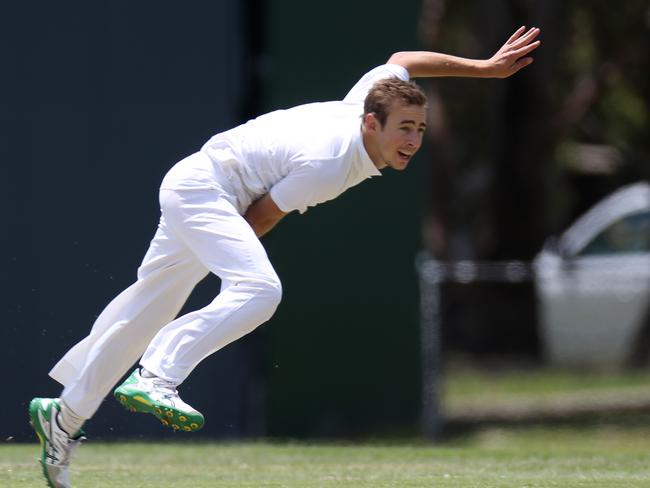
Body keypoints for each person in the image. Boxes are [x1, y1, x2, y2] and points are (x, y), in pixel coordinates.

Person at [28, 26, 540, 488]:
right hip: (207, 191)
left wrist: (484, 69)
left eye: (420, 129)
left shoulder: (369, 97)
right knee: (261, 290)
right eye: (403, 127)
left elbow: (403, 57)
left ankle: (65, 418)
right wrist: (231, 252)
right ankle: (157, 376)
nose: (412, 140)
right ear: (371, 124)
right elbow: (262, 215)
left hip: (198, 186)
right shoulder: (332, 163)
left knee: (145, 313)